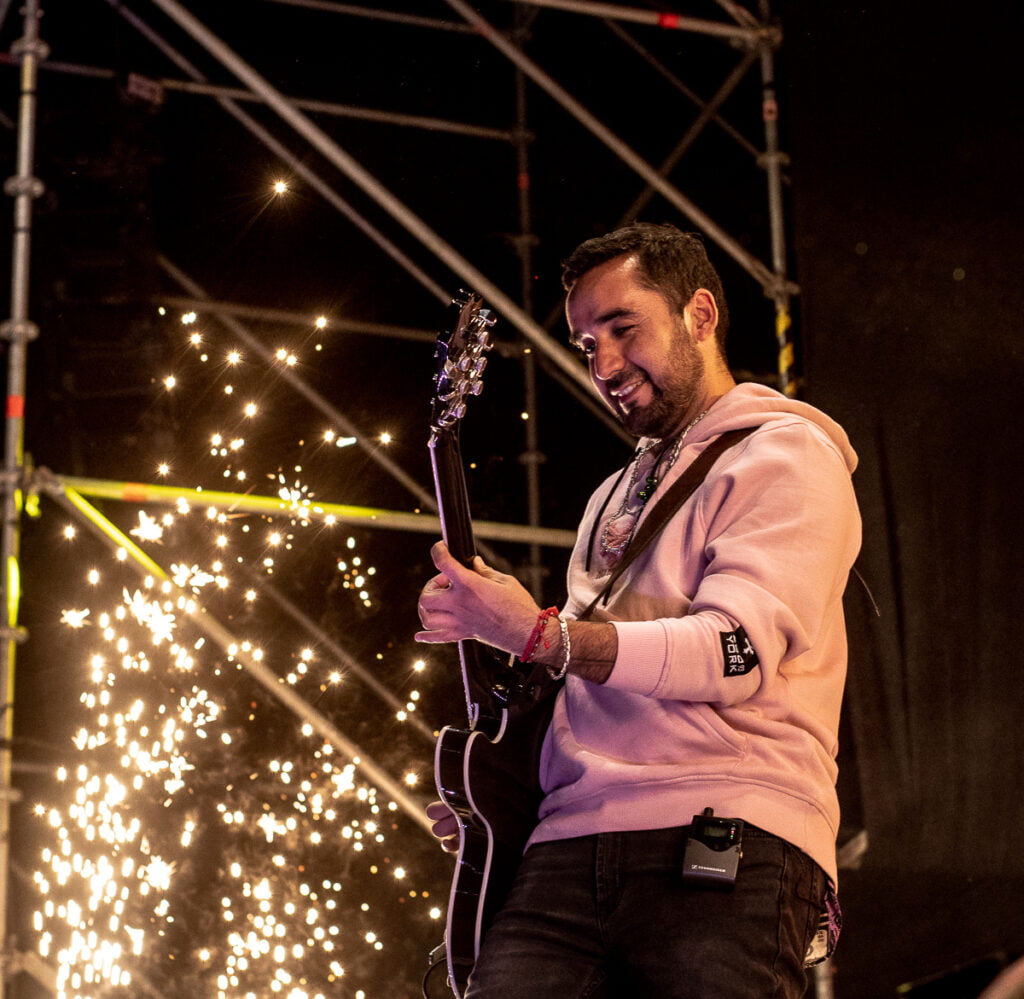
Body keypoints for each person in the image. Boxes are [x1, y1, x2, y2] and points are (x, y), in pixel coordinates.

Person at [415, 222, 861, 998]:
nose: (605, 365)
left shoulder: (786, 454)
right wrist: (503, 796)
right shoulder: (609, 496)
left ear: (700, 314)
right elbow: (589, 684)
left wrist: (536, 632)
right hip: (564, 843)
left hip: (724, 830)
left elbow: (732, 652)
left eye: (623, 328)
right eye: (588, 345)